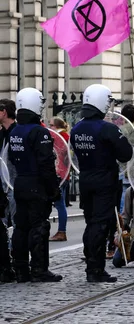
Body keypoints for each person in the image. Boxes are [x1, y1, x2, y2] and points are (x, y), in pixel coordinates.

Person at [71, 84, 133, 282]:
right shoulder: (107, 128)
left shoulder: (77, 128)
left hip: (86, 180)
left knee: (91, 223)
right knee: (100, 225)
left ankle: (91, 263)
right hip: (104, 181)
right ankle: (95, 269)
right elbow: (126, 153)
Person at [8, 88, 62, 282]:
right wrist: (53, 189)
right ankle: (39, 269)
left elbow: (11, 158)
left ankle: (21, 268)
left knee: (21, 227)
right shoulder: (39, 132)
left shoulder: (15, 130)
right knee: (39, 227)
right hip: (36, 184)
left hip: (20, 182)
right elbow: (46, 164)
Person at [0, 99, 16, 282]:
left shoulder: (15, 133)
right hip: (2, 185)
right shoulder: (1, 134)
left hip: (13, 185)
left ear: (4, 112)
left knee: (17, 224)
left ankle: (14, 262)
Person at [48, 117, 70, 242]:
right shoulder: (66, 136)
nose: (49, 127)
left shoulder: (58, 137)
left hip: (59, 173)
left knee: (59, 204)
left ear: (56, 126)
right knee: (60, 204)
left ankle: (62, 231)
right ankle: (61, 231)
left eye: (51, 125)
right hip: (64, 174)